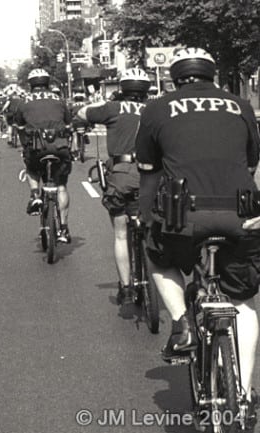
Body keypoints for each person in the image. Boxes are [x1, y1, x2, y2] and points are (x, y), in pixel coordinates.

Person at [135, 48, 260, 421]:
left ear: (175, 76)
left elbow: (148, 173)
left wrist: (145, 217)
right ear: (212, 74)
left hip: (182, 218)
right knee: (246, 301)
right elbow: (251, 164)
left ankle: (182, 323)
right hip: (241, 215)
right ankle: (243, 395)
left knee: (158, 259)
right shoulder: (241, 106)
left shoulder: (158, 108)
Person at [77, 68, 151, 304]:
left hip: (121, 175)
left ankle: (127, 288)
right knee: (154, 228)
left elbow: (81, 112)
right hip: (151, 177)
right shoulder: (155, 110)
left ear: (122, 88)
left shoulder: (113, 109)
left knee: (120, 234)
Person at [15, 68, 73, 243]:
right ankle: (63, 229)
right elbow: (69, 125)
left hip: (36, 149)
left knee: (31, 169)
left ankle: (35, 195)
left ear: (31, 84)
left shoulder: (23, 101)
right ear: (48, 83)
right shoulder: (60, 99)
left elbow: (19, 127)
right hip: (59, 147)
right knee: (61, 187)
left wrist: (25, 146)